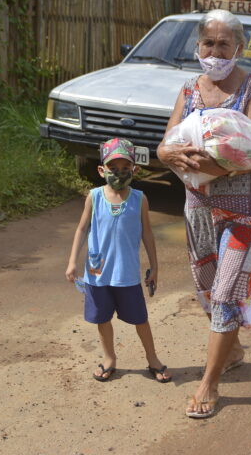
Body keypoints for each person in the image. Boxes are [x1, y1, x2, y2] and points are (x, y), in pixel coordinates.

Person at [157, 9, 251, 418]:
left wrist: (207, 165)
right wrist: (170, 153)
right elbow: (163, 144)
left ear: (239, 48)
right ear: (198, 46)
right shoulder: (189, 89)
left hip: (247, 211)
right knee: (207, 284)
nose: (215, 50)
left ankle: (209, 384)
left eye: (224, 43)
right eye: (208, 42)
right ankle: (233, 347)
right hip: (200, 208)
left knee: (226, 292)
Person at [65, 138, 172, 384]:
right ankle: (109, 357)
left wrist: (155, 267)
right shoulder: (94, 197)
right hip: (97, 273)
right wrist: (72, 262)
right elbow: (82, 230)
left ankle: (152, 358)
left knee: (139, 318)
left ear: (135, 170)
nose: (119, 174)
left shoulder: (139, 199)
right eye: (113, 169)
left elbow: (147, 233)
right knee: (102, 318)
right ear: (102, 170)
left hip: (127, 274)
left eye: (126, 169)